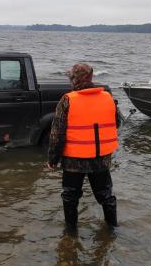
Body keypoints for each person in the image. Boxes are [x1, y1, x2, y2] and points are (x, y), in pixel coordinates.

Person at [47, 63, 121, 232]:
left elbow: (57, 134)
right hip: (100, 159)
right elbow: (116, 123)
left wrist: (52, 160)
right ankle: (112, 230)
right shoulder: (107, 97)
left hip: (74, 161)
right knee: (106, 196)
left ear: (74, 79)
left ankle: (71, 234)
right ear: (91, 77)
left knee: (70, 197)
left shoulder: (67, 100)